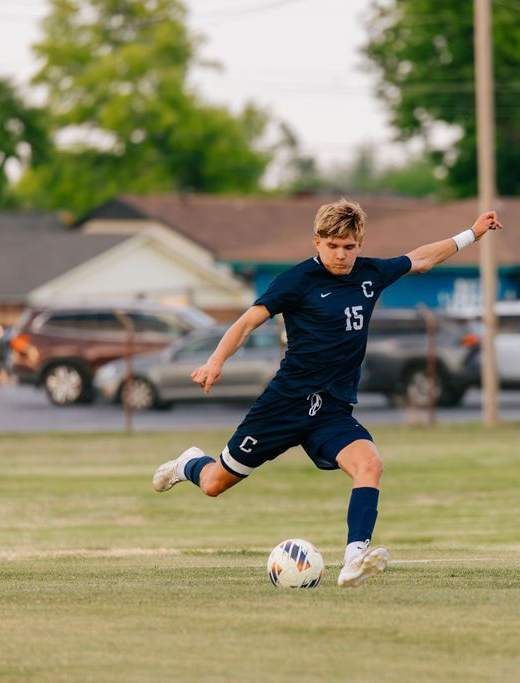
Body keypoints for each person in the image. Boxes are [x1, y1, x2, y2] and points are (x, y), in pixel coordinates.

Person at [152, 198, 502, 587]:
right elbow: (247, 322)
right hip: (284, 405)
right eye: (332, 246)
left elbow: (420, 259)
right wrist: (216, 361)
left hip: (332, 410)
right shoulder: (296, 281)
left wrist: (472, 233)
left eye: (349, 247)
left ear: (360, 244)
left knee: (370, 464)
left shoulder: (370, 274)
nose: (341, 255)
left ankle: (355, 557)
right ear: (317, 241)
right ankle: (188, 464)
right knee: (215, 483)